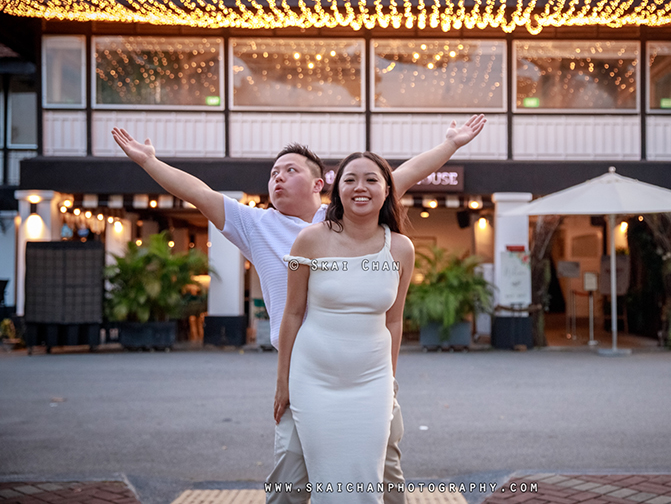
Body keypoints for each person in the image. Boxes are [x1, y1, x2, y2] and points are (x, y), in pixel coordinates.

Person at [110, 114, 486, 504]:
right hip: (303, 370)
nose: (278, 178)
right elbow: (198, 193)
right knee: (289, 478)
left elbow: (400, 175)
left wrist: (451, 144)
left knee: (385, 472)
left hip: (364, 370)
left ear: (320, 184)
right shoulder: (255, 225)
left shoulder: (343, 217)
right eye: (273, 172)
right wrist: (149, 162)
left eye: (290, 170)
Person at [275, 152, 414, 503]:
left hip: (372, 380)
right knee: (325, 479)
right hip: (313, 378)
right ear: (337, 191)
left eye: (371, 179)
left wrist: (390, 380)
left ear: (386, 191)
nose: (360, 187)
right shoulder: (310, 240)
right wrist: (283, 383)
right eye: (350, 179)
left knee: (366, 480)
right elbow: (292, 314)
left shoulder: (401, 248)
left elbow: (394, 319)